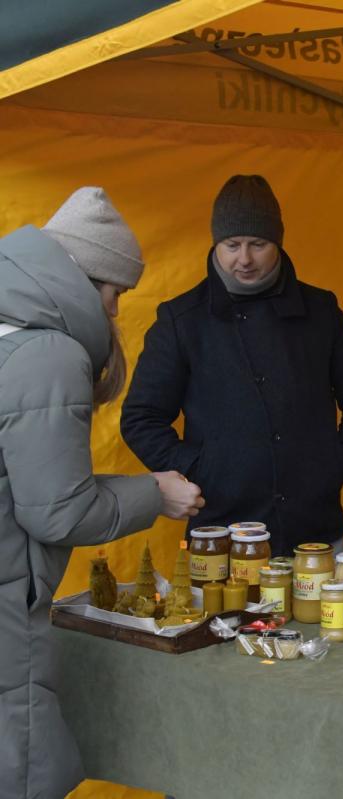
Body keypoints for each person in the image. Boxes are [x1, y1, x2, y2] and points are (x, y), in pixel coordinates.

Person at [0, 188, 205, 799]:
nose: (115, 311)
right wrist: (155, 495)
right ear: (83, 277)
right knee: (21, 770)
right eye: (115, 294)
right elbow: (58, 511)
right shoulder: (49, 352)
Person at [121, 175, 343, 556]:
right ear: (215, 243)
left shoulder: (321, 311)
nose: (244, 259)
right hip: (221, 534)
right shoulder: (182, 320)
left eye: (258, 244)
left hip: (315, 530)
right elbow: (141, 417)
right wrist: (196, 468)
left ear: (278, 242)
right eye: (232, 245)